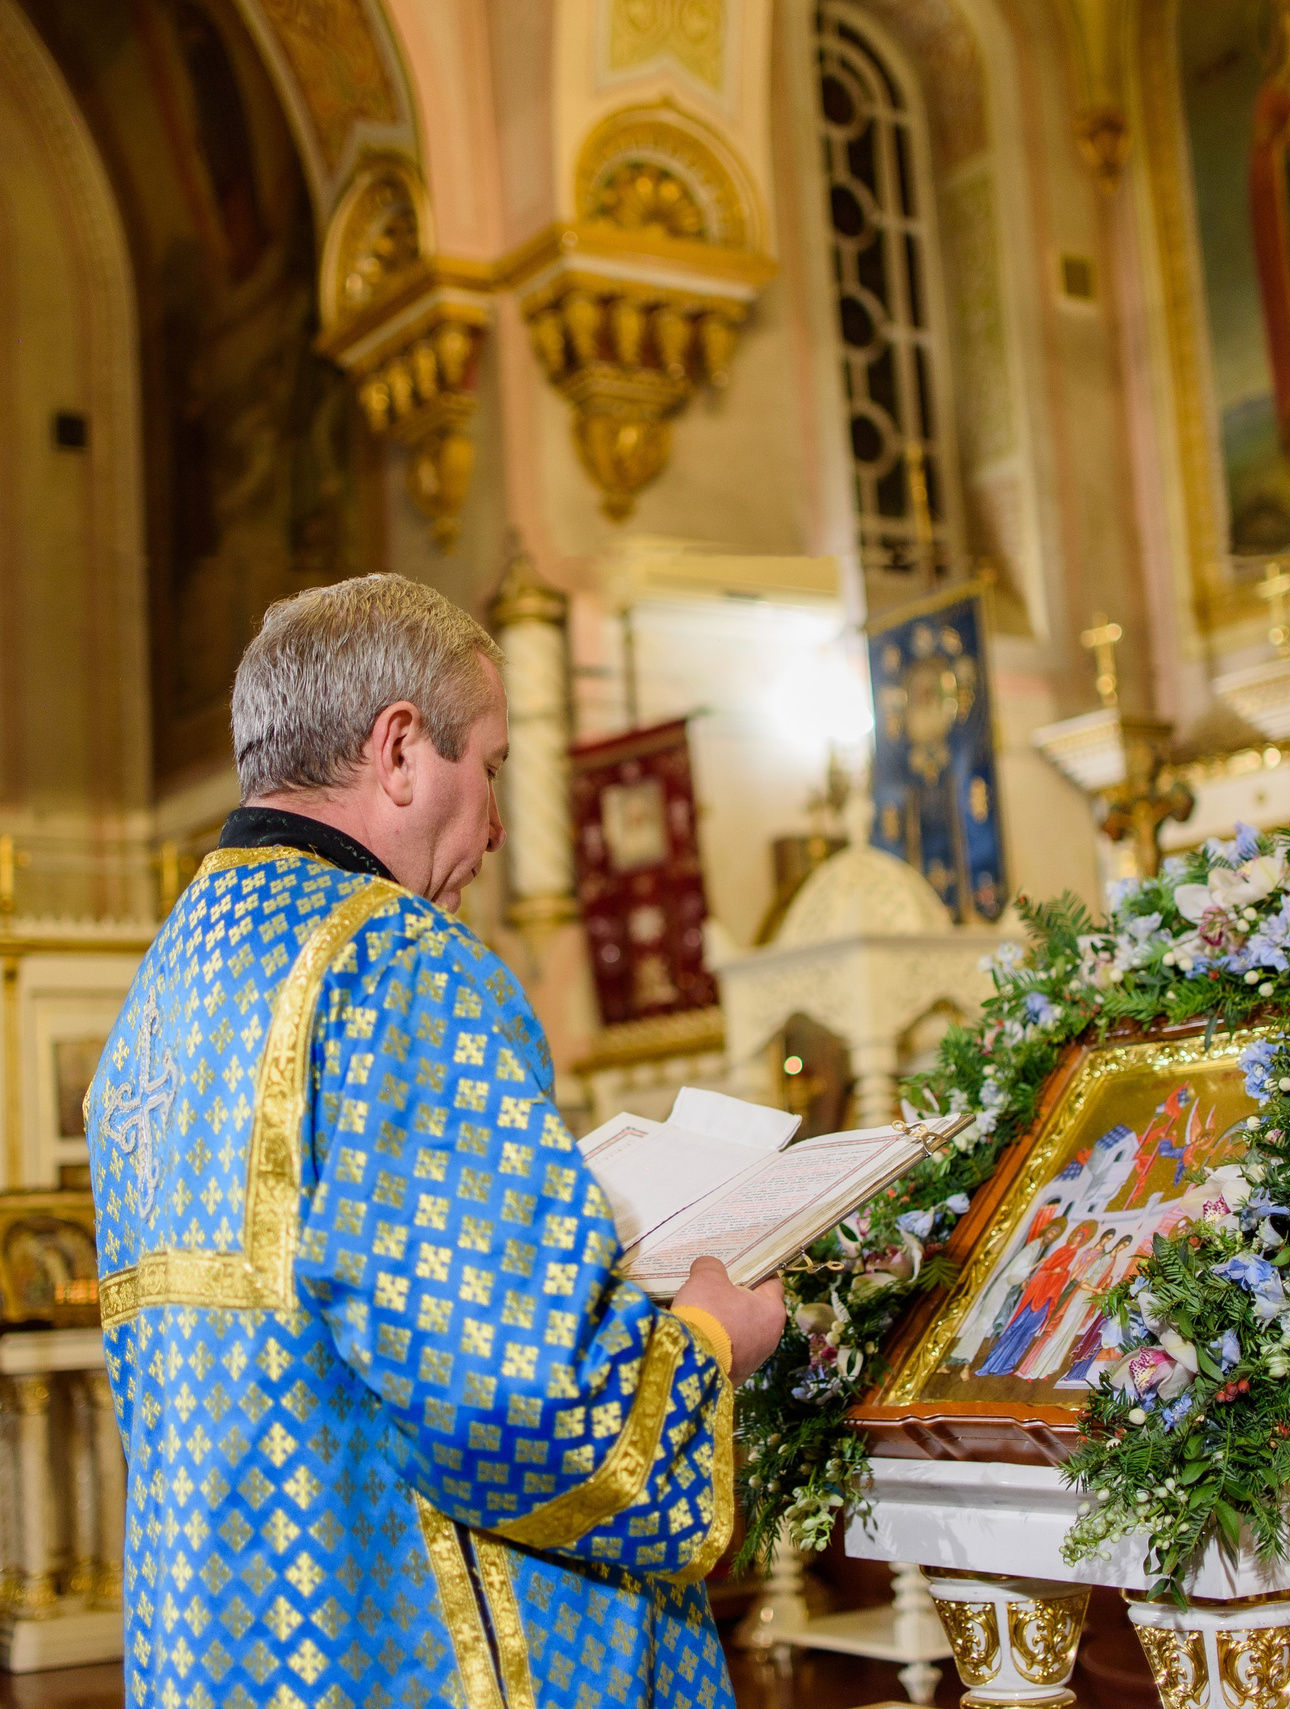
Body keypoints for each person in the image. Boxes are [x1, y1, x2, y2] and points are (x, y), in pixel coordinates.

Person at [90, 572, 787, 1708]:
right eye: (493, 767)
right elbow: (518, 1397)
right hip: (414, 1648)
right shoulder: (395, 963)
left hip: (221, 1644)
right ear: (402, 750)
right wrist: (708, 1337)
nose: (503, 825)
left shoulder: (166, 989)